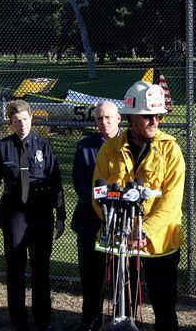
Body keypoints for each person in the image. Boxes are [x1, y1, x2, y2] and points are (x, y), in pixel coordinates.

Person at [92, 81, 185, 330]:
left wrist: (144, 231)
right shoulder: (109, 150)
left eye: (158, 115)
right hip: (121, 245)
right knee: (124, 309)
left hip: (160, 244)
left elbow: (171, 203)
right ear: (131, 118)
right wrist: (123, 230)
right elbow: (98, 196)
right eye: (148, 116)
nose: (155, 121)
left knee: (164, 309)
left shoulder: (171, 151)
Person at [0, 99, 66, 331]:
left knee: (41, 268)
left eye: (26, 119)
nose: (22, 125)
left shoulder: (44, 146)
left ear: (32, 119)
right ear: (10, 123)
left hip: (41, 211)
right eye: (17, 121)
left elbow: (56, 183)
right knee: (15, 267)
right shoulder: (2, 147)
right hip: (14, 212)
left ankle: (43, 319)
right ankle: (18, 319)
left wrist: (61, 215)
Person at [70, 101, 121, 331]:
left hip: (121, 223)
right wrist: (97, 204)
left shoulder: (128, 145)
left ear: (119, 118)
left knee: (121, 278)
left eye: (109, 118)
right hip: (90, 222)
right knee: (91, 278)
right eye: (100, 119)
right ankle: (90, 320)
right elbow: (79, 181)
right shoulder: (85, 146)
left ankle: (122, 321)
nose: (104, 122)